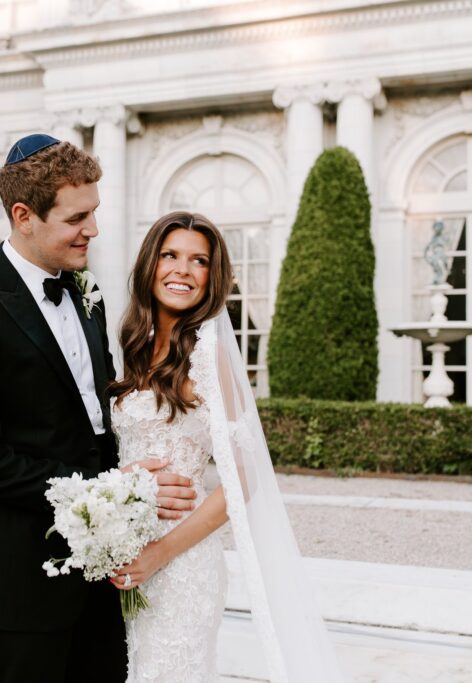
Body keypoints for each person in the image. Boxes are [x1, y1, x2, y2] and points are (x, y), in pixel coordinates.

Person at [0, 135, 197, 683]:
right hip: (11, 584)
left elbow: (93, 421)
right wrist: (117, 491)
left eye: (94, 213)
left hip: (98, 577)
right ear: (24, 216)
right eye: (77, 217)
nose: (92, 229)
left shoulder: (85, 294)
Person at [108, 211, 347, 683]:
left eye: (199, 261)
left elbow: (246, 476)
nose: (182, 269)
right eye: (170, 255)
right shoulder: (136, 344)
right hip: (123, 548)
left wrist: (159, 553)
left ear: (211, 277)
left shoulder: (208, 352)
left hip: (180, 562)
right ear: (149, 263)